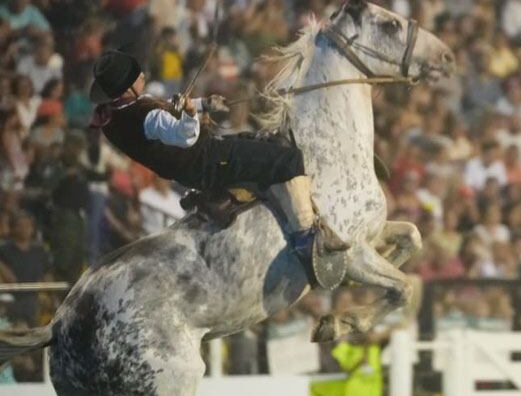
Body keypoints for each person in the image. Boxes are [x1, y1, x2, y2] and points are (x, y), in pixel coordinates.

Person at [89, 49, 349, 252]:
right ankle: (306, 238)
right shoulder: (146, 117)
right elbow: (185, 137)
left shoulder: (118, 111)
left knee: (265, 141)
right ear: (127, 87)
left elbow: (165, 107)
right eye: (137, 75)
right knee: (289, 158)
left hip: (193, 165)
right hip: (207, 160)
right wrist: (191, 114)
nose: (143, 75)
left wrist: (204, 104)